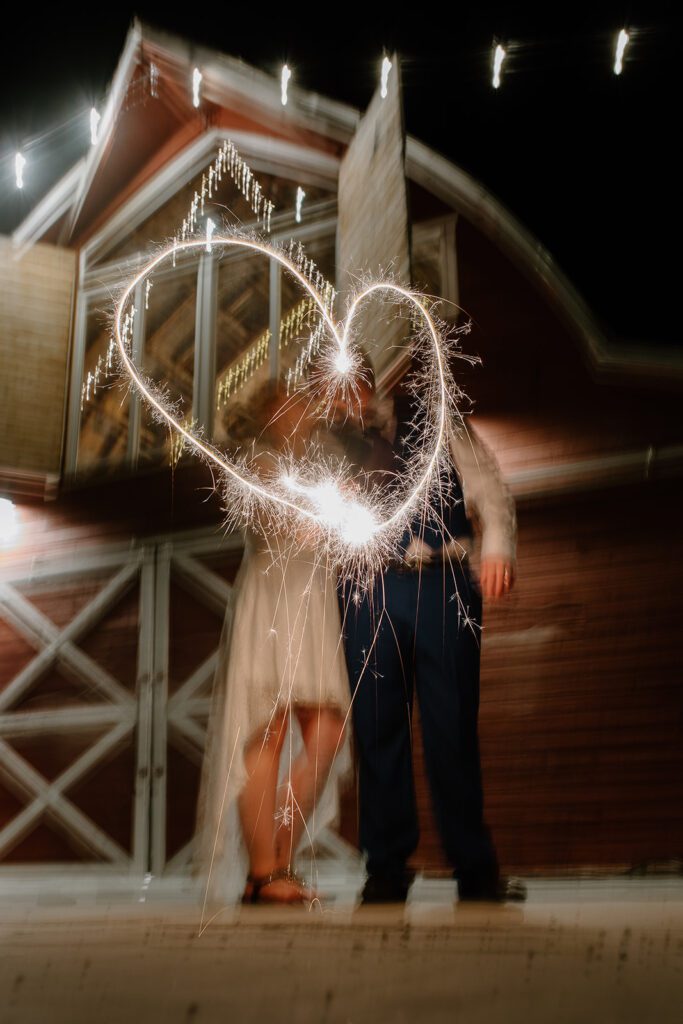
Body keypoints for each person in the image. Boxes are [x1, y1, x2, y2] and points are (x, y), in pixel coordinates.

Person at [338, 376, 526, 905]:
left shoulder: (439, 416)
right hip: (370, 586)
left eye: (350, 386)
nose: (343, 398)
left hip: (444, 582)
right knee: (377, 728)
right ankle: (386, 869)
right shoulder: (334, 442)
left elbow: (488, 485)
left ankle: (474, 866)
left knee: (452, 726)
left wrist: (498, 547)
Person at [192, 381, 352, 906]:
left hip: (315, 601)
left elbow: (339, 530)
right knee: (269, 728)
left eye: (304, 400)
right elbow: (275, 522)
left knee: (327, 732)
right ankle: (264, 872)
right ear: (269, 411)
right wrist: (322, 517)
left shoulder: (322, 461)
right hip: (275, 596)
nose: (304, 407)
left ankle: (277, 849)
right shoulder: (257, 461)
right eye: (290, 400)